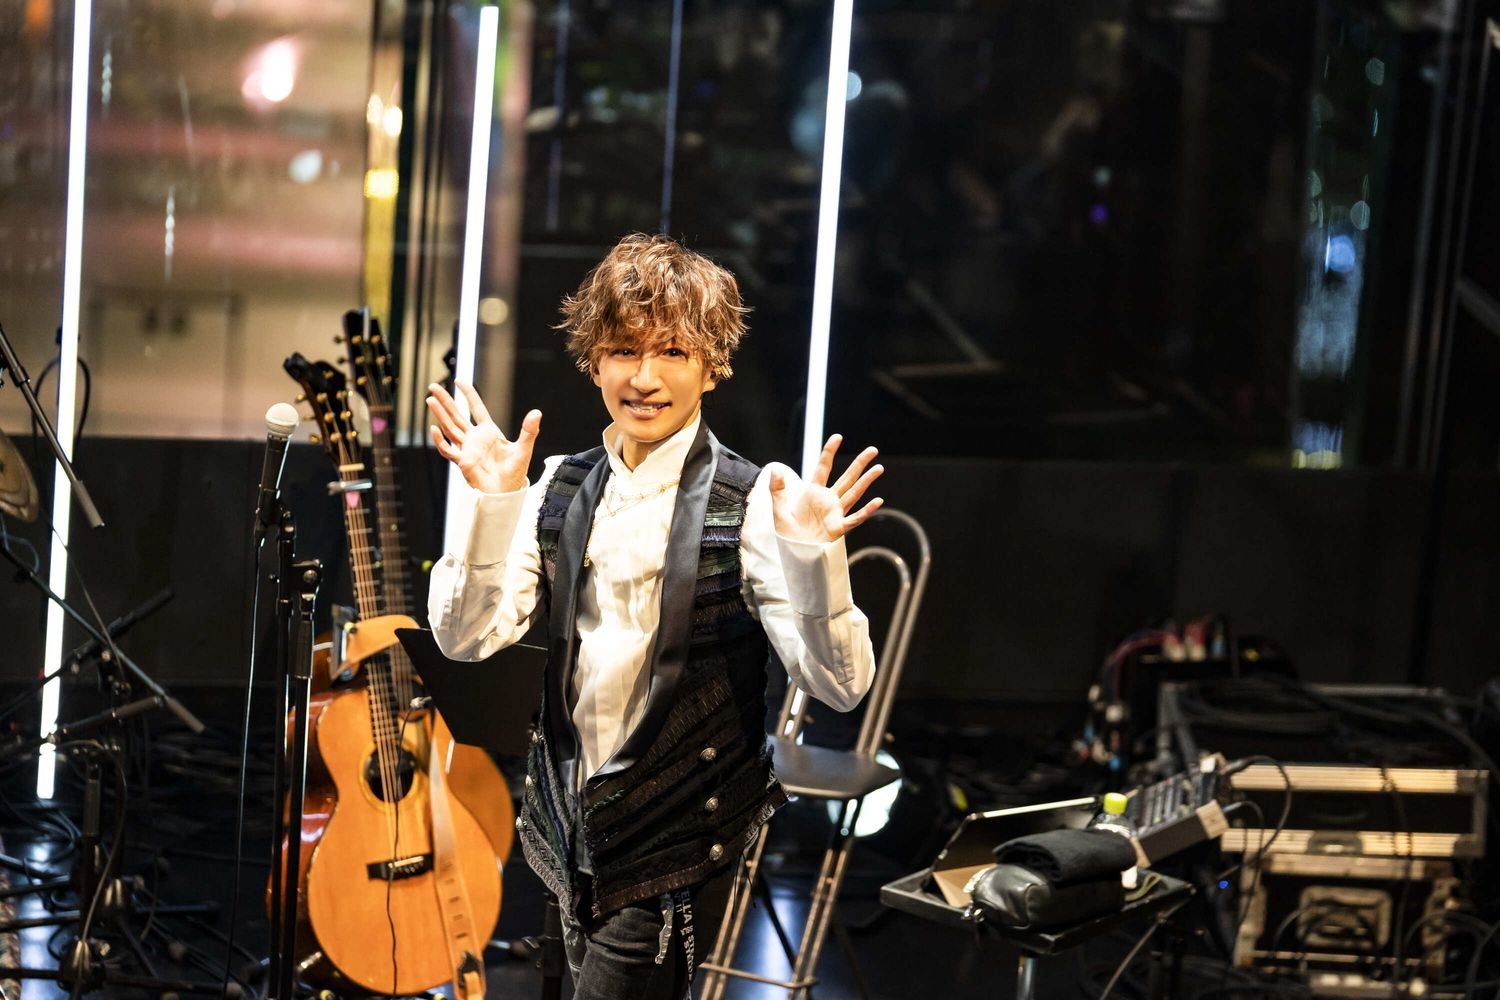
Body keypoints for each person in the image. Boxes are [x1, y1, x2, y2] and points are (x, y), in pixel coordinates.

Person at [425, 232, 884, 1000]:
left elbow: (840, 688)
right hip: (567, 822)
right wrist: (492, 505)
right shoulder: (558, 485)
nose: (644, 377)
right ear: (593, 360)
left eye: (672, 351)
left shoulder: (752, 501)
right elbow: (465, 639)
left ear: (713, 365)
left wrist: (815, 558)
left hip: (676, 831)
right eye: (624, 351)